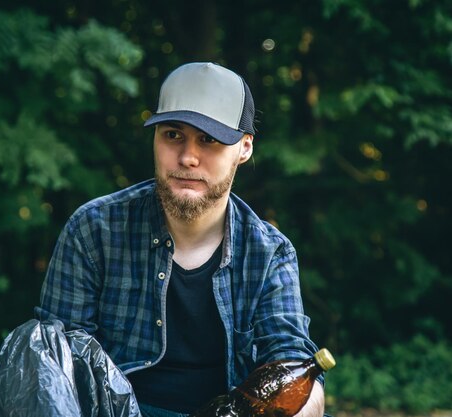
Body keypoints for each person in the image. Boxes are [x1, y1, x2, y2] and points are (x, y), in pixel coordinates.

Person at [35, 62, 326, 417]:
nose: (188, 157)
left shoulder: (269, 253)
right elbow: (53, 363)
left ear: (245, 148)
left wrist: (302, 409)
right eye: (173, 135)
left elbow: (292, 360)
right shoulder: (94, 230)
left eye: (209, 139)